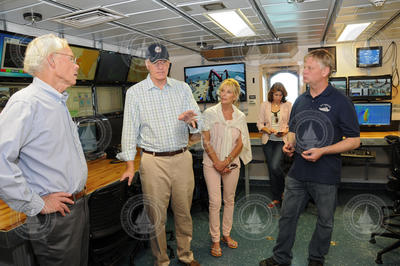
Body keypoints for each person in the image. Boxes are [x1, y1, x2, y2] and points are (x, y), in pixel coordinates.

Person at [259, 49, 360, 266]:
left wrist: (323, 150)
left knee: (325, 221)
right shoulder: (300, 101)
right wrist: (289, 143)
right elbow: (293, 130)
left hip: (326, 173)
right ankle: (280, 257)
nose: (304, 71)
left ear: (325, 71)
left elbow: (354, 140)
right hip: (298, 172)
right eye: (304, 67)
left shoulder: (341, 101)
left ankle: (316, 259)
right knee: (287, 217)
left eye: (309, 68)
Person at [0, 34, 89, 266]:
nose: (77, 65)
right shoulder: (26, 103)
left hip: (74, 207)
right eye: (71, 58)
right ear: (51, 60)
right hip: (54, 217)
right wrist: (36, 203)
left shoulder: (57, 102)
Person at [117, 43, 201, 266]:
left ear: (169, 63)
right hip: (153, 161)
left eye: (163, 62)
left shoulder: (183, 89)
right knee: (157, 216)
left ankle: (186, 255)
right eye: (155, 63)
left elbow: (198, 122)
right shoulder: (135, 93)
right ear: (147, 64)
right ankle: (161, 260)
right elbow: (129, 129)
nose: (160, 66)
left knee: (184, 212)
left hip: (182, 157)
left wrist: (192, 122)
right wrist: (128, 165)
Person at [201, 78, 252, 257]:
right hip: (211, 163)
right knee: (215, 202)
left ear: (235, 96)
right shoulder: (209, 113)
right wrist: (217, 162)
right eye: (222, 91)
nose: (224, 94)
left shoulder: (240, 116)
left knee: (229, 200)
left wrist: (227, 160)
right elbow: (205, 140)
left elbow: (241, 143)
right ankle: (215, 239)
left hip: (232, 163)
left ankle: (226, 234)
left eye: (228, 91)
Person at [257, 82, 292, 208]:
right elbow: (260, 124)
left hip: (281, 141)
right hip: (268, 141)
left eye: (280, 95)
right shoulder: (264, 105)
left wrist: (285, 131)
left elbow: (291, 124)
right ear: (271, 94)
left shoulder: (288, 105)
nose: (278, 97)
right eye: (276, 94)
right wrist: (268, 130)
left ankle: (285, 191)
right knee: (272, 170)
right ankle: (277, 197)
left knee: (275, 166)